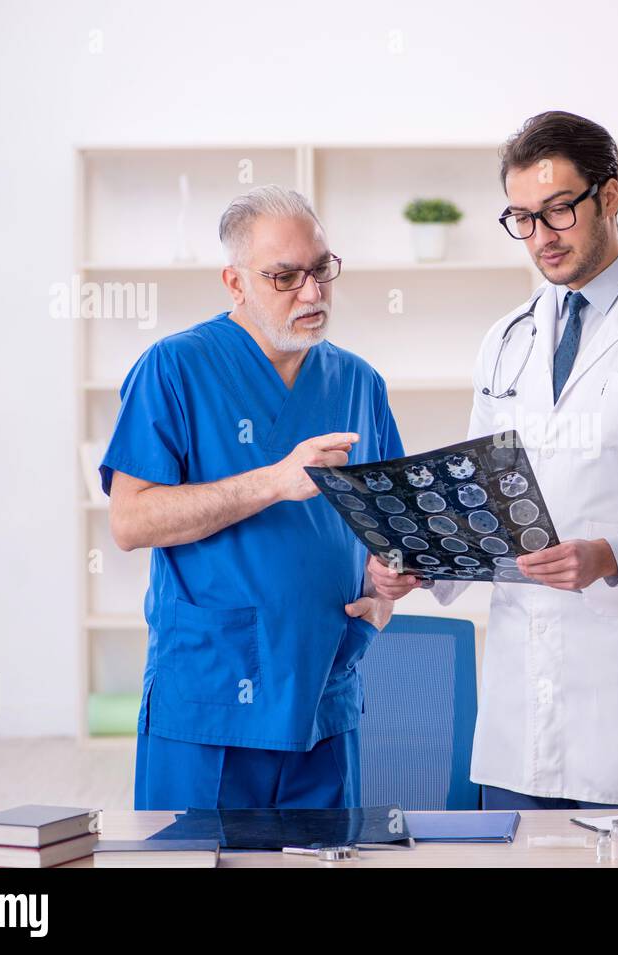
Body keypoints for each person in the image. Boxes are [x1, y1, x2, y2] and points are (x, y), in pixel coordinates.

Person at [369, 111, 618, 809]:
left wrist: (612, 554)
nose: (541, 238)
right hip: (520, 710)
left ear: (610, 197)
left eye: (558, 211)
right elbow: (481, 493)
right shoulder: (508, 339)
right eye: (522, 218)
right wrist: (424, 559)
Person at [102, 185, 397, 810]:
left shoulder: (358, 383)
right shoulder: (174, 369)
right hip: (211, 699)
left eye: (321, 270)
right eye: (285, 277)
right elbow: (130, 521)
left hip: (324, 693)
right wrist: (273, 481)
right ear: (235, 283)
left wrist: (386, 592)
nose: (312, 293)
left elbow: (386, 530)